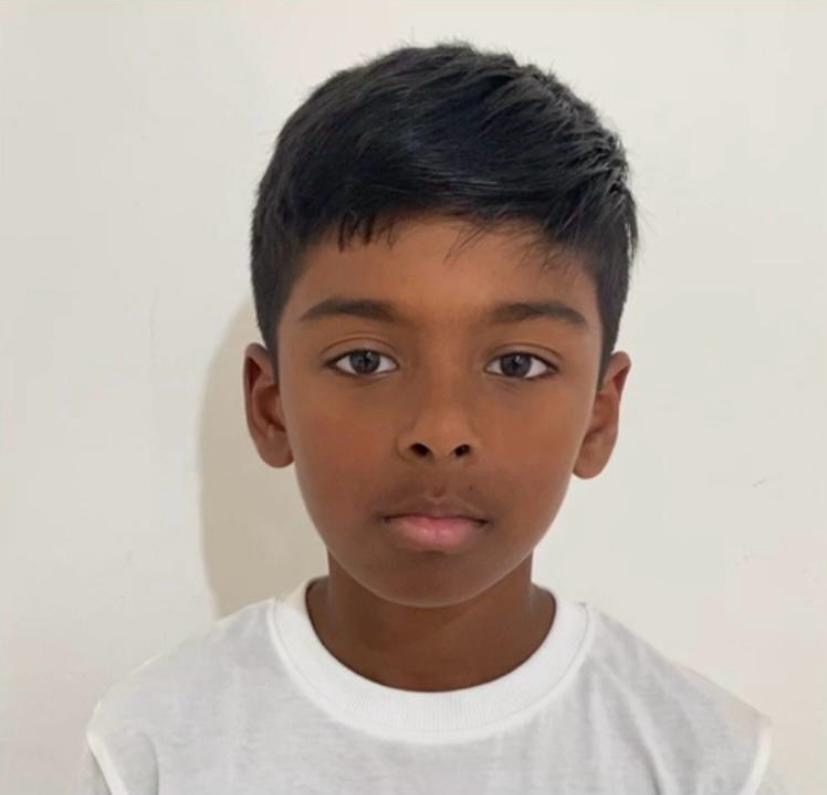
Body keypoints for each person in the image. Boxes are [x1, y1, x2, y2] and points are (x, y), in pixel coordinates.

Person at [77, 41, 789, 793]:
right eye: (364, 360)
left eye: (517, 365)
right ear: (270, 404)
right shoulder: (153, 748)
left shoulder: (712, 765)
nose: (441, 431)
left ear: (597, 415)